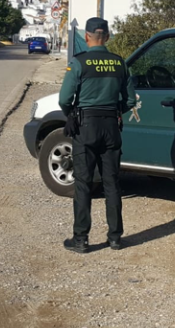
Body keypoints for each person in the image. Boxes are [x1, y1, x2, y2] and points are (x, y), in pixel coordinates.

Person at [58, 17, 136, 253]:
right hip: (112, 126)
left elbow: (64, 99)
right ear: (108, 37)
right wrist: (114, 111)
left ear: (87, 37)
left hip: (86, 127)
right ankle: (115, 238)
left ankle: (80, 239)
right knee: (112, 182)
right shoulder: (119, 63)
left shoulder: (79, 63)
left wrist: (71, 114)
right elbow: (130, 99)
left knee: (83, 183)